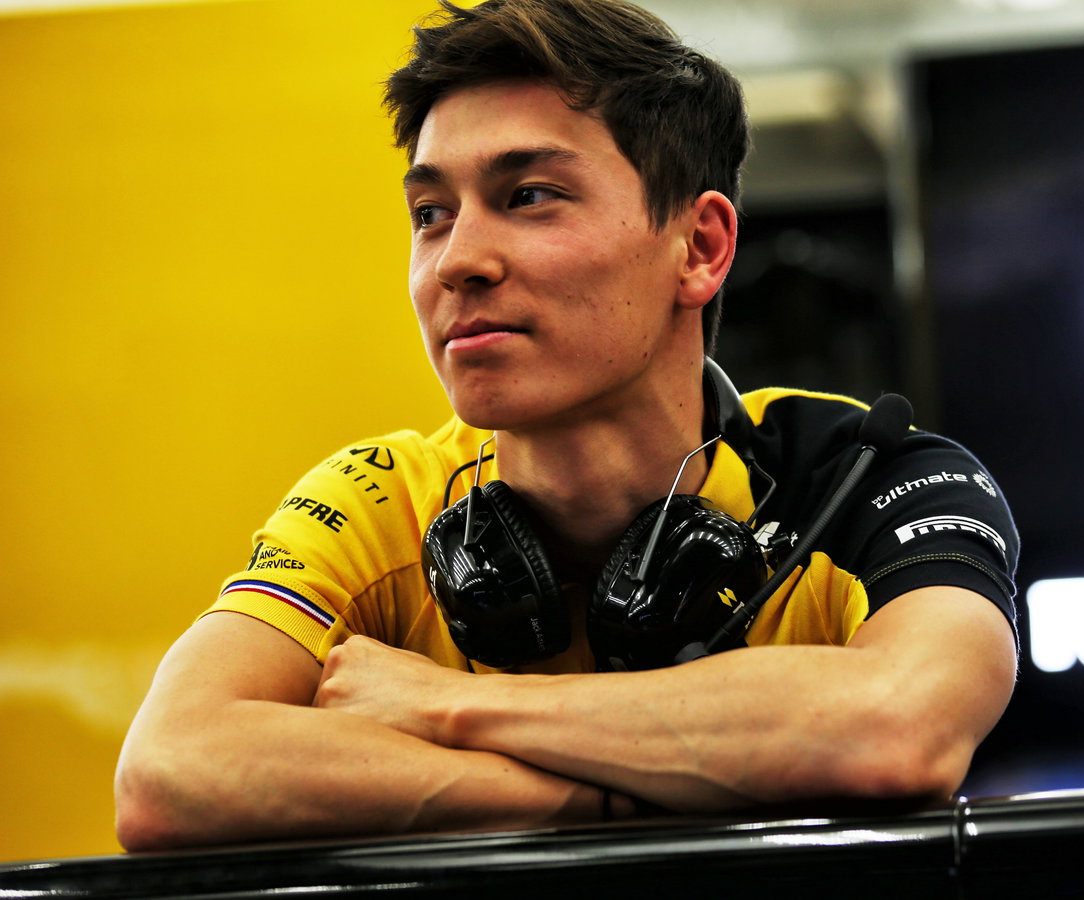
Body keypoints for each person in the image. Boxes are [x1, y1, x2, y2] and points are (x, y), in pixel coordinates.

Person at [114, 0, 1019, 851]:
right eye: (430, 214)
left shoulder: (870, 477)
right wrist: (624, 804)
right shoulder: (377, 498)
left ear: (700, 247)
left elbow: (899, 728)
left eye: (530, 196)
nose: (457, 261)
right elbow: (171, 770)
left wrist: (443, 709)